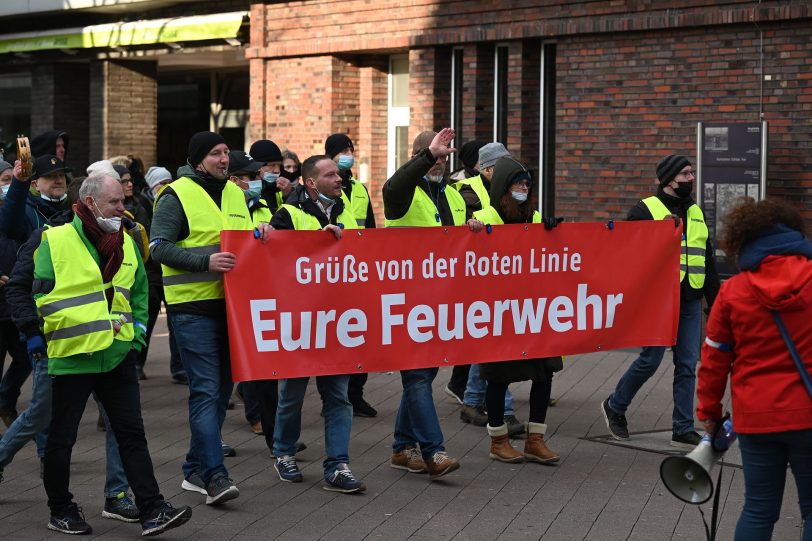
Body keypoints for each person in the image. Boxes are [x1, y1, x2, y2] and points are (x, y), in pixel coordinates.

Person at [25, 173, 191, 535]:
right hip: (73, 355)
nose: (123, 207)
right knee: (62, 438)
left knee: (132, 434)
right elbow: (35, 295)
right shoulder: (53, 240)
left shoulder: (128, 241)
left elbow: (142, 291)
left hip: (117, 355)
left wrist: (138, 338)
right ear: (89, 203)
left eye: (123, 201)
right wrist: (39, 337)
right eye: (114, 202)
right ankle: (61, 509)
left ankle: (152, 508)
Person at [150, 131, 266, 505]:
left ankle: (194, 470)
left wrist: (259, 233)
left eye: (225, 153)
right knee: (205, 391)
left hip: (230, 308)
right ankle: (215, 477)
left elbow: (238, 241)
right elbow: (157, 247)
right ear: (198, 159)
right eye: (215, 154)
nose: (223, 159)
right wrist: (205, 262)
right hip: (191, 311)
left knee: (218, 395)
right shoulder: (176, 194)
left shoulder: (235, 192)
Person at [697, 198, 812, 541]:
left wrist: (710, 414)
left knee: (759, 508)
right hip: (808, 415)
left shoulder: (733, 292)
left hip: (755, 418)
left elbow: (714, 361)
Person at [601, 154, 720, 447]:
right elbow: (627, 255)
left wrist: (714, 300)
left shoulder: (695, 211)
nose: (691, 179)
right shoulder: (644, 210)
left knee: (687, 364)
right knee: (651, 360)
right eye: (686, 174)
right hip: (657, 301)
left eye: (692, 174)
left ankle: (682, 427)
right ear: (669, 179)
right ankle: (615, 406)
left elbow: (707, 257)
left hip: (690, 298)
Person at [268, 155, 365, 493]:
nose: (339, 179)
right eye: (330, 174)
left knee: (339, 395)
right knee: (292, 394)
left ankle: (338, 464)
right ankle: (283, 452)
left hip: (339, 319)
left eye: (338, 174)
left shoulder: (347, 210)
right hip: (302, 319)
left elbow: (366, 253)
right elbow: (272, 257)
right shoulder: (289, 215)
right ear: (310, 183)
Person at [467, 156, 563, 463]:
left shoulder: (534, 218)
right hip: (497, 312)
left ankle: (536, 439)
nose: (523, 188)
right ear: (503, 187)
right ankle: (498, 441)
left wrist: (553, 232)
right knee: (498, 377)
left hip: (532, 310)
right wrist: (473, 232)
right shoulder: (484, 216)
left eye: (526, 184)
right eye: (517, 183)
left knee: (544, 372)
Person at [382, 127, 464, 479]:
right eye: (435, 156)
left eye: (445, 157)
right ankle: (433, 451)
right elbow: (394, 185)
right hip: (406, 302)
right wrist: (428, 154)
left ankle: (402, 447)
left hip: (439, 303)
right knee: (416, 376)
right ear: (419, 156)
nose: (441, 162)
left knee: (424, 375)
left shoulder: (452, 196)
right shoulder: (402, 193)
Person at [445, 141, 506, 406]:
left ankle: (468, 388)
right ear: (487, 168)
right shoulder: (467, 189)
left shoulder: (506, 188)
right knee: (478, 329)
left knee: (482, 330)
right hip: (476, 268)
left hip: (498, 267)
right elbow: (465, 223)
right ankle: (469, 392)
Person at [324, 133, 377, 417]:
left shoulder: (359, 189)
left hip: (358, 271)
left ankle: (356, 395)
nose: (348, 154)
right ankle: (332, 399)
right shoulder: (322, 188)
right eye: (342, 150)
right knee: (336, 338)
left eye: (350, 149)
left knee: (361, 336)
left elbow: (369, 228)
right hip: (333, 272)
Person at [250, 139, 291, 213]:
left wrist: (289, 195)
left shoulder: (283, 189)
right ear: (257, 166)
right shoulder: (247, 190)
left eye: (279, 165)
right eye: (272, 165)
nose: (277, 170)